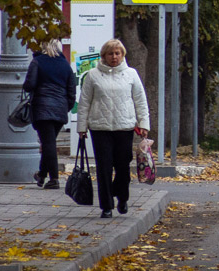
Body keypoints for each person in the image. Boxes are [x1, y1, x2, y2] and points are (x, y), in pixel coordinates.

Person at [77, 39, 150, 218]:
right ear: (104, 56)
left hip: (124, 127)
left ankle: (122, 197)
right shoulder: (93, 75)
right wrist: (81, 127)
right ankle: (106, 205)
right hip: (100, 128)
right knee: (104, 168)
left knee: (123, 166)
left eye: (117, 53)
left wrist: (143, 124)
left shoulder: (131, 74)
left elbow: (140, 100)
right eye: (110, 53)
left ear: (123, 55)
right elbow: (84, 102)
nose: (114, 57)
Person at [23, 42, 77, 189]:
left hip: (42, 107)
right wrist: (66, 107)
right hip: (60, 108)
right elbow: (71, 90)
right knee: (49, 143)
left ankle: (54, 179)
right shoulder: (66, 65)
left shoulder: (37, 62)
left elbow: (29, 85)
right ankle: (41, 175)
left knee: (48, 144)